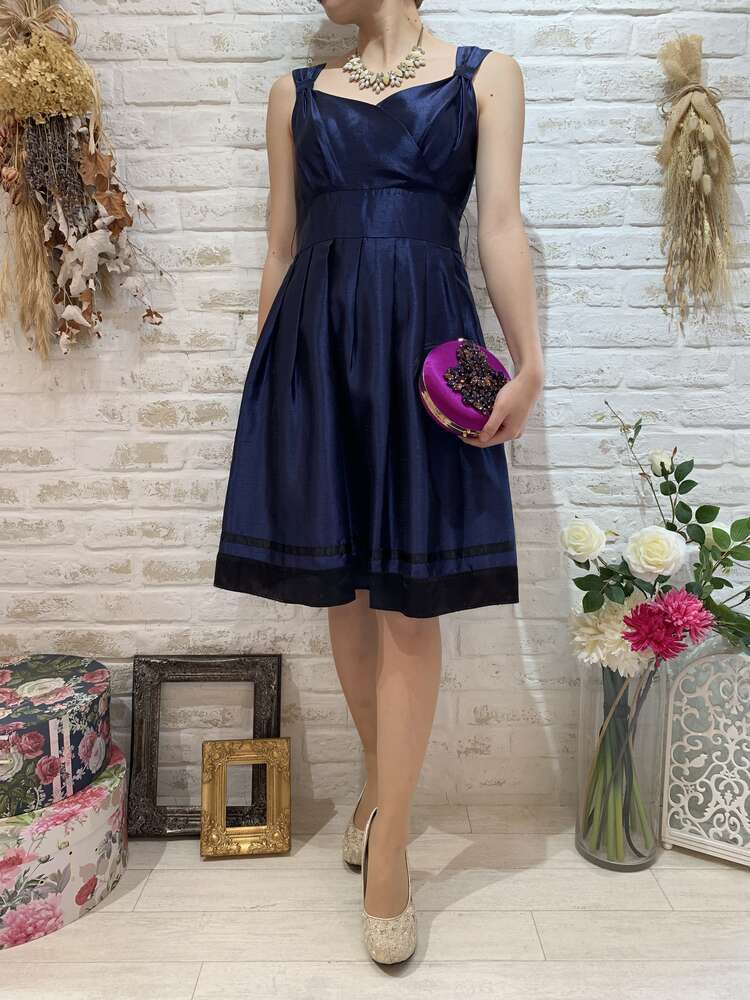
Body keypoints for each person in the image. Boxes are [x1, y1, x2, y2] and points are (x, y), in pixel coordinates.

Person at [213, 0, 544, 964]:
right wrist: (271, 383)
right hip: (316, 348)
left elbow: (498, 223)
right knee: (344, 590)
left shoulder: (485, 76)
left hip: (422, 340)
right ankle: (377, 785)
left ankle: (390, 839)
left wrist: (529, 363)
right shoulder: (295, 95)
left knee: (409, 601)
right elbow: (281, 246)